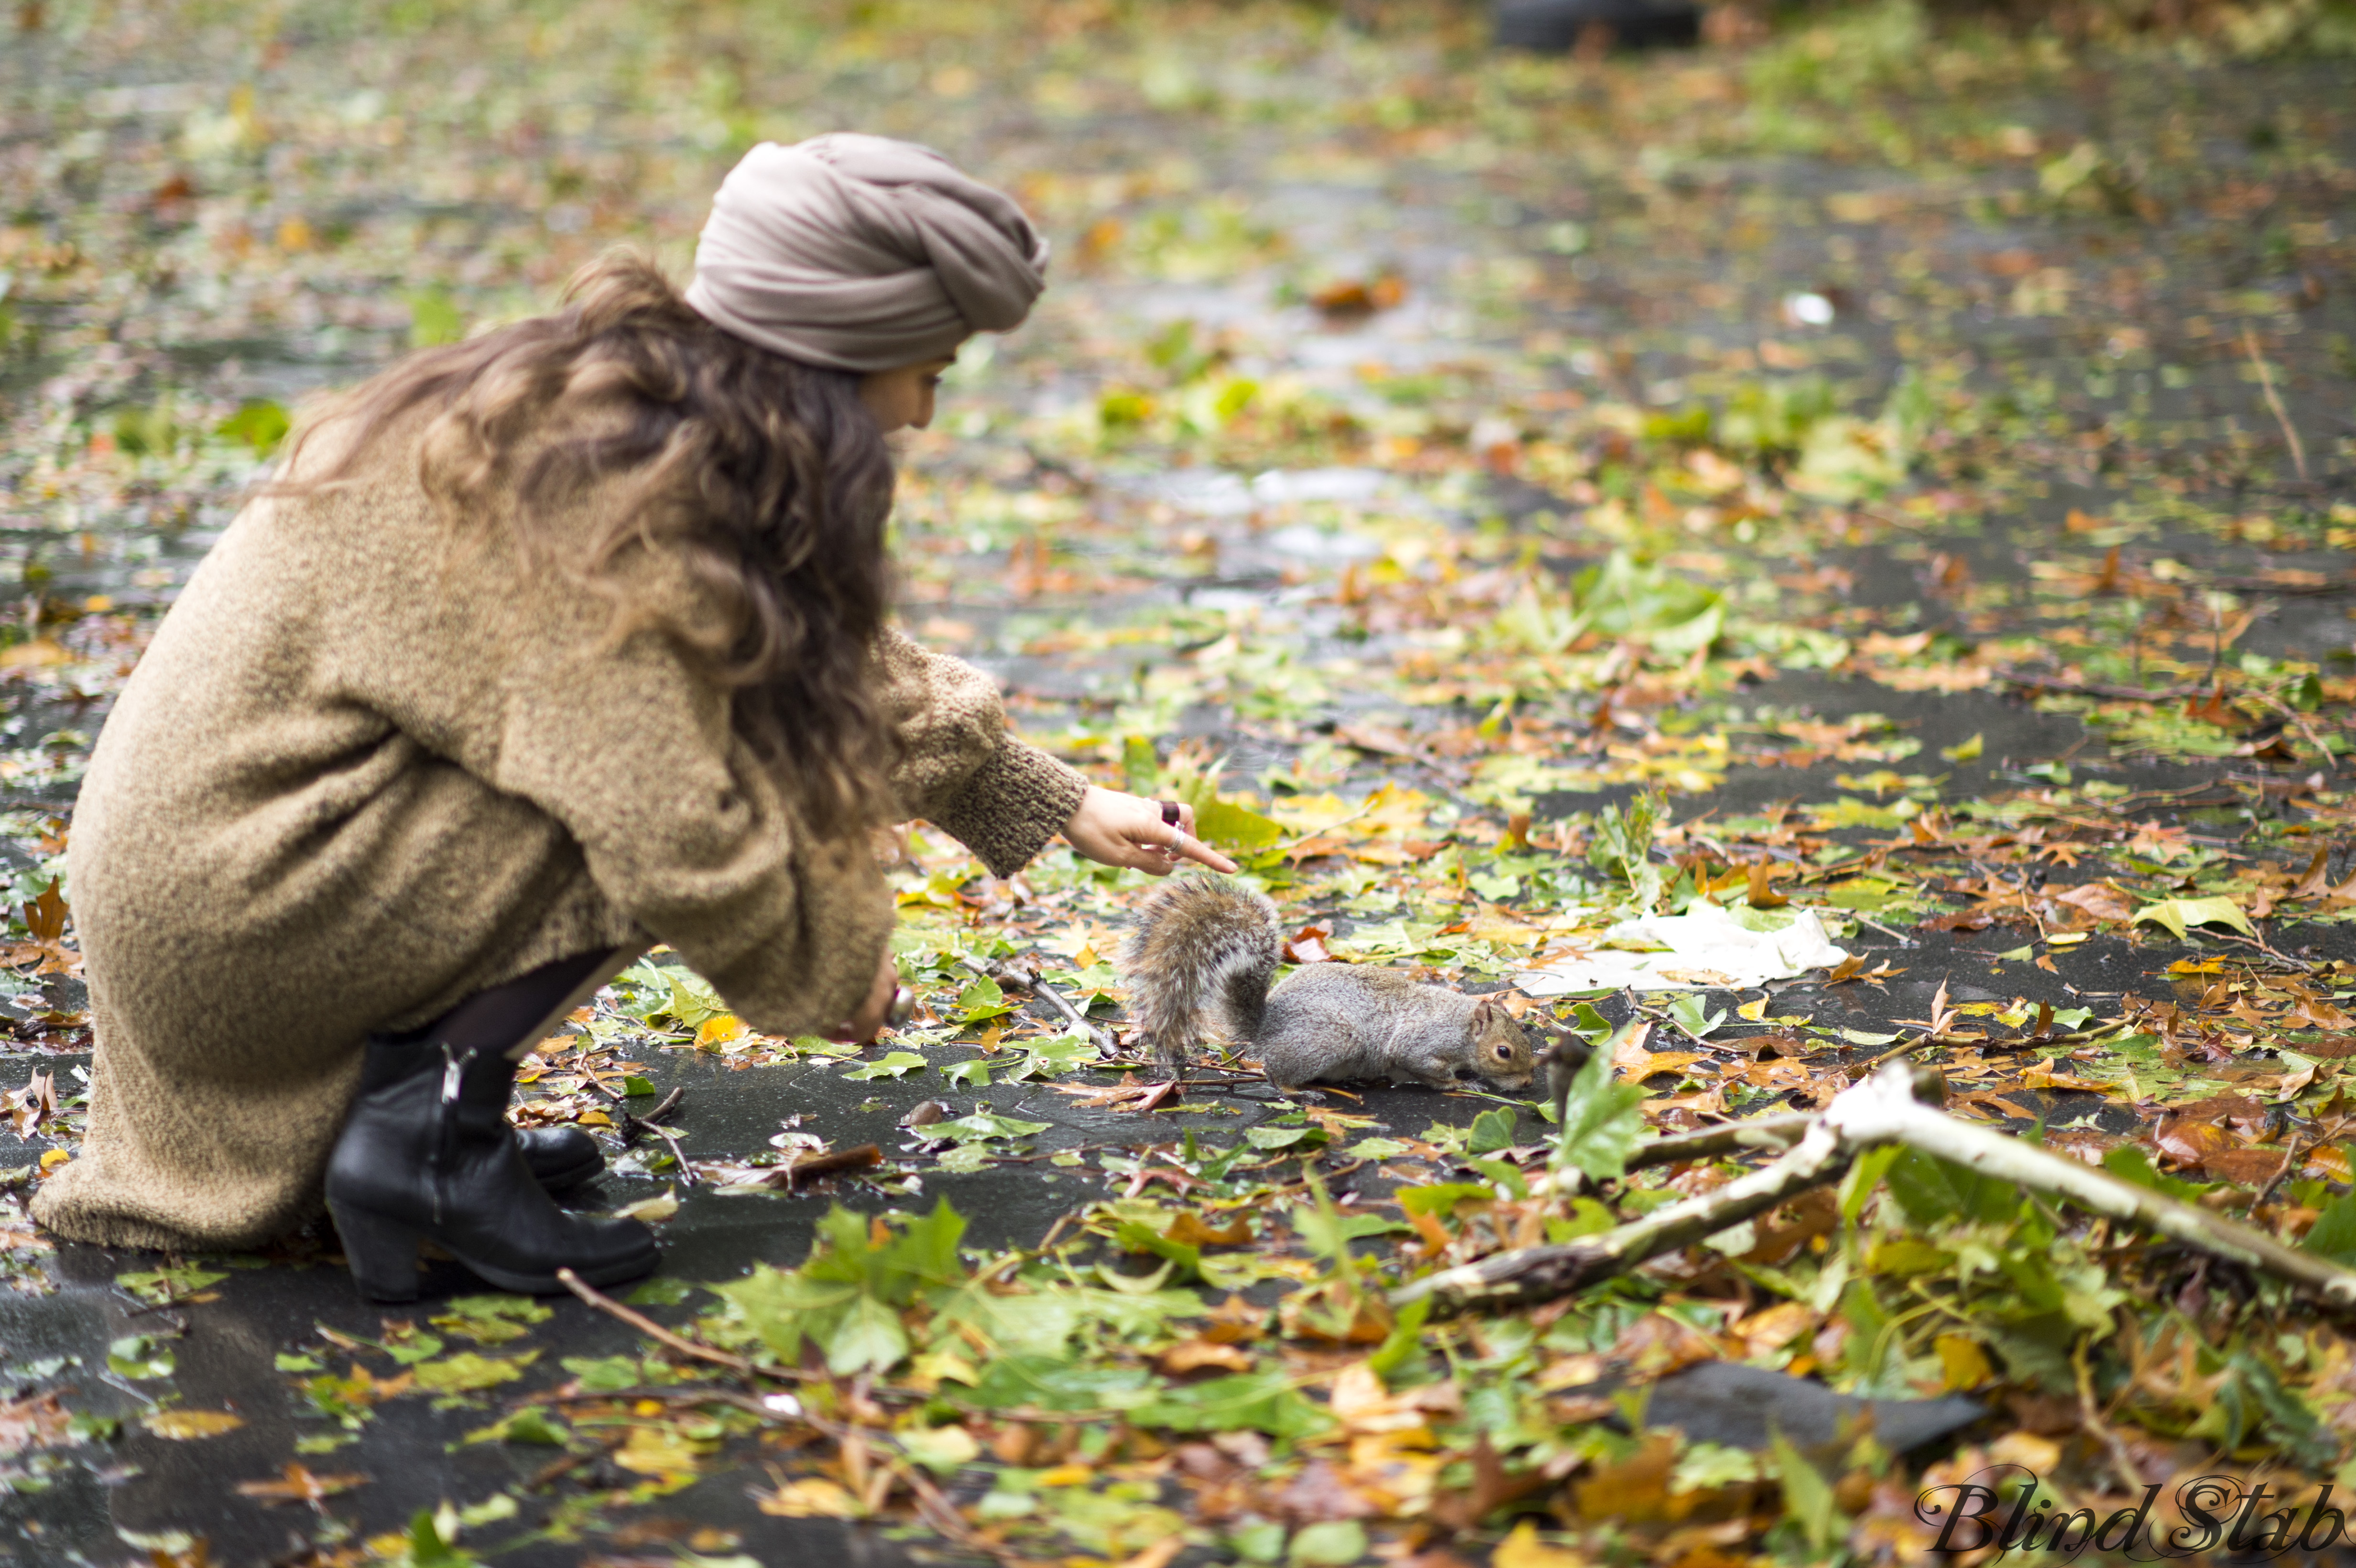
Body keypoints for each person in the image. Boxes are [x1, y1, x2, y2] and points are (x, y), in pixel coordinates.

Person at [30, 134, 1235, 1301]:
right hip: (232, 918)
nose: (919, 413)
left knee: (682, 734)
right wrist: (831, 956)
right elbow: (674, 818)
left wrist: (1054, 798)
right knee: (678, 780)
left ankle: (423, 1113)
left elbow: (808, 654)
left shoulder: (633, 408)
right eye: (928, 368)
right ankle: (426, 1141)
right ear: (836, 356)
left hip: (213, 892)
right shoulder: (603, 487)